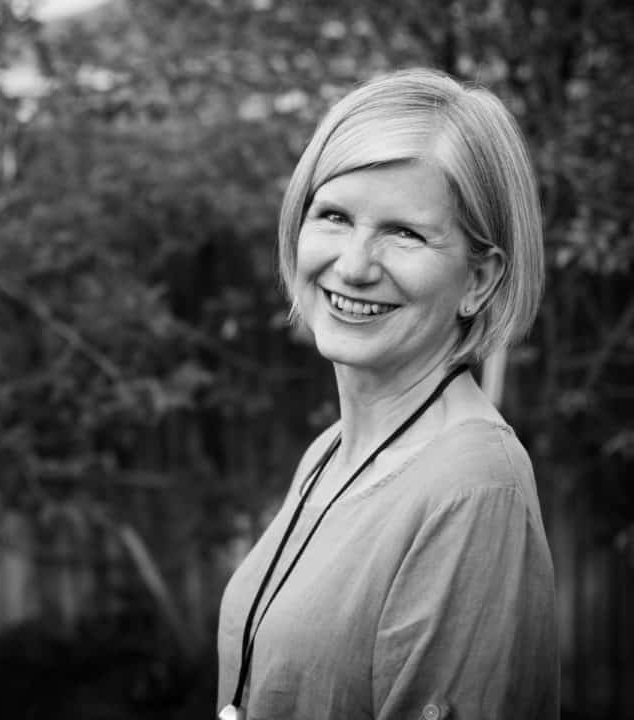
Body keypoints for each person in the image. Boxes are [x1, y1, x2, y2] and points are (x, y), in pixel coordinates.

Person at [217, 67, 559, 720]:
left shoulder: (472, 490)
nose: (352, 265)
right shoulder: (332, 451)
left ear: (479, 280)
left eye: (404, 233)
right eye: (335, 216)